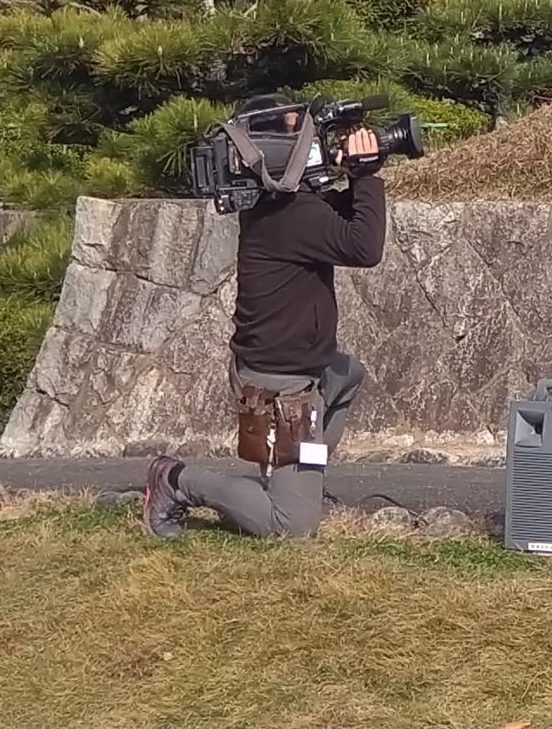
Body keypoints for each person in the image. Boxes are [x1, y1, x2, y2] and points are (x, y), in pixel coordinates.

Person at [142, 97, 387, 539]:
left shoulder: (278, 204)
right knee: (291, 526)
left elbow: (337, 211)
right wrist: (365, 174)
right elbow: (364, 246)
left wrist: (349, 171)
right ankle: (176, 480)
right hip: (281, 385)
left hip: (298, 367)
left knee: (347, 374)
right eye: (297, 135)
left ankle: (299, 473)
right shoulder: (292, 215)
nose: (307, 142)